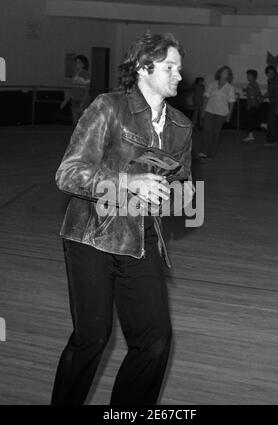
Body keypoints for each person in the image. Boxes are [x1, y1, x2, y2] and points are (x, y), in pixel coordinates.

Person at [51, 32, 193, 405]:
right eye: (169, 67)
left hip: (142, 241)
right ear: (144, 68)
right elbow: (68, 174)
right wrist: (128, 182)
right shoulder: (108, 108)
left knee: (156, 340)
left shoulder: (180, 126)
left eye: (179, 67)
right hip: (91, 238)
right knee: (91, 339)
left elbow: (182, 181)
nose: (179, 75)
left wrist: (179, 195)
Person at [197, 66, 236, 161]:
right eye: (223, 71)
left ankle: (211, 154)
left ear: (229, 76)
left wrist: (229, 115)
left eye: (227, 73)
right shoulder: (212, 84)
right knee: (206, 130)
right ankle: (203, 152)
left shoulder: (230, 88)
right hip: (209, 110)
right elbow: (206, 97)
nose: (225, 73)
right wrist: (203, 111)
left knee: (215, 133)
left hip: (222, 113)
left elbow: (231, 102)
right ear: (219, 73)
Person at [60, 54, 91, 126]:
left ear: (83, 64)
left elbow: (87, 90)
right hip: (74, 100)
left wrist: (82, 104)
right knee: (74, 122)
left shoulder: (86, 74)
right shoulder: (74, 74)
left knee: (82, 123)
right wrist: (65, 101)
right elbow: (72, 89)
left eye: (79, 62)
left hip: (83, 100)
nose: (76, 64)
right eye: (76, 62)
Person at [263, 65, 278, 148]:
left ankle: (272, 141)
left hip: (277, 103)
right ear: (266, 73)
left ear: (275, 73)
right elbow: (270, 92)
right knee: (272, 122)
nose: (270, 74)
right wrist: (263, 97)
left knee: (270, 122)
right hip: (272, 103)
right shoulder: (269, 80)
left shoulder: (277, 81)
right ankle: (274, 141)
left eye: (272, 72)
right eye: (268, 72)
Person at [242, 69, 262, 143]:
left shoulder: (253, 84)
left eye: (249, 75)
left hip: (252, 105)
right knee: (250, 120)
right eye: (247, 75)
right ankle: (250, 135)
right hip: (251, 105)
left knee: (249, 120)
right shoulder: (250, 84)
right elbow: (256, 93)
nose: (247, 77)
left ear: (254, 76)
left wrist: (257, 100)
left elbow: (257, 93)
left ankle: (250, 136)